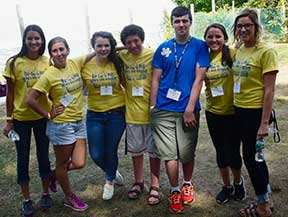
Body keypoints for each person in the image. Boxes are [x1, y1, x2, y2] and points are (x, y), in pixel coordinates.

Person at [150, 6, 210, 214]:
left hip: (188, 109)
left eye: (185, 20)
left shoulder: (200, 47)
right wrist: (153, 106)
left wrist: (189, 108)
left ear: (190, 22)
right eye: (177, 21)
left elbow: (199, 79)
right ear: (172, 23)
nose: (181, 24)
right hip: (163, 110)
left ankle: (187, 184)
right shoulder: (164, 48)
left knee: (186, 153)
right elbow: (156, 79)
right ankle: (175, 190)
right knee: (169, 155)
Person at [26, 36, 93, 212]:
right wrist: (48, 114)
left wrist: (121, 47)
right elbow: (30, 99)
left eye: (62, 49)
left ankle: (53, 176)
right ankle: (69, 197)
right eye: (55, 51)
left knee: (79, 162)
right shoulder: (49, 75)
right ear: (51, 54)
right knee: (63, 163)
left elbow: (97, 52)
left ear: (68, 50)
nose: (59, 53)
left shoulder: (75, 63)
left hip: (78, 121)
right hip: (61, 125)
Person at [2, 24, 53, 217]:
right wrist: (9, 120)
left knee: (43, 156)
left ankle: (46, 194)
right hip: (21, 119)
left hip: (42, 117)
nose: (34, 42)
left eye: (37, 38)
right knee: (22, 159)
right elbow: (10, 93)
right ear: (25, 40)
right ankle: (27, 200)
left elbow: (54, 86)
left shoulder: (47, 62)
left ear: (42, 40)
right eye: (30, 38)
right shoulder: (14, 62)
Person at [232, 9, 278, 217]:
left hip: (255, 113)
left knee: (252, 159)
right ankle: (265, 200)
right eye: (240, 26)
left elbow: (269, 90)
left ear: (256, 27)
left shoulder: (265, 52)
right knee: (254, 158)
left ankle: (262, 207)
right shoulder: (240, 50)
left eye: (247, 25)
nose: (243, 29)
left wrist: (264, 122)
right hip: (239, 110)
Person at [118, 24, 161, 205]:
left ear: (142, 39)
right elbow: (107, 48)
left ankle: (155, 185)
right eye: (128, 42)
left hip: (152, 112)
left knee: (154, 152)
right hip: (133, 113)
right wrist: (121, 47)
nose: (133, 45)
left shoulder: (153, 54)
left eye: (136, 41)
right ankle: (138, 182)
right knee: (136, 152)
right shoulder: (122, 56)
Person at [203, 23, 245, 204]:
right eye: (210, 37)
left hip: (233, 112)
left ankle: (238, 183)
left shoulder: (234, 55)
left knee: (233, 152)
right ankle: (227, 186)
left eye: (218, 36)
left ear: (225, 38)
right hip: (213, 113)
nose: (214, 40)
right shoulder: (202, 57)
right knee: (221, 151)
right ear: (205, 39)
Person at [81, 31, 126, 201]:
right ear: (93, 46)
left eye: (107, 45)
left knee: (110, 149)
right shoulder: (85, 64)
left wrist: (116, 48)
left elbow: (129, 47)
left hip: (116, 113)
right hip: (95, 115)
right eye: (99, 45)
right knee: (96, 154)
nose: (103, 49)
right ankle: (112, 171)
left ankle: (108, 182)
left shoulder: (117, 61)